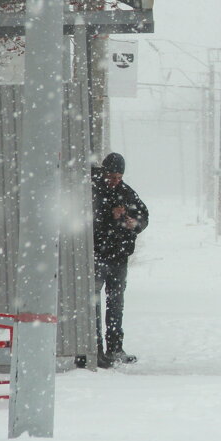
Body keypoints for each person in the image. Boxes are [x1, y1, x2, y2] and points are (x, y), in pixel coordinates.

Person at [89, 152, 149, 368]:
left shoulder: (126, 192)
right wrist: (109, 215)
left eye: (119, 177)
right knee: (93, 304)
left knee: (115, 304)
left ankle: (115, 348)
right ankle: (94, 349)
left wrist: (135, 223)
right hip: (97, 256)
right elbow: (86, 221)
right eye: (112, 176)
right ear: (104, 172)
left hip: (119, 257)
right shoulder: (92, 191)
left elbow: (143, 214)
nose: (115, 181)